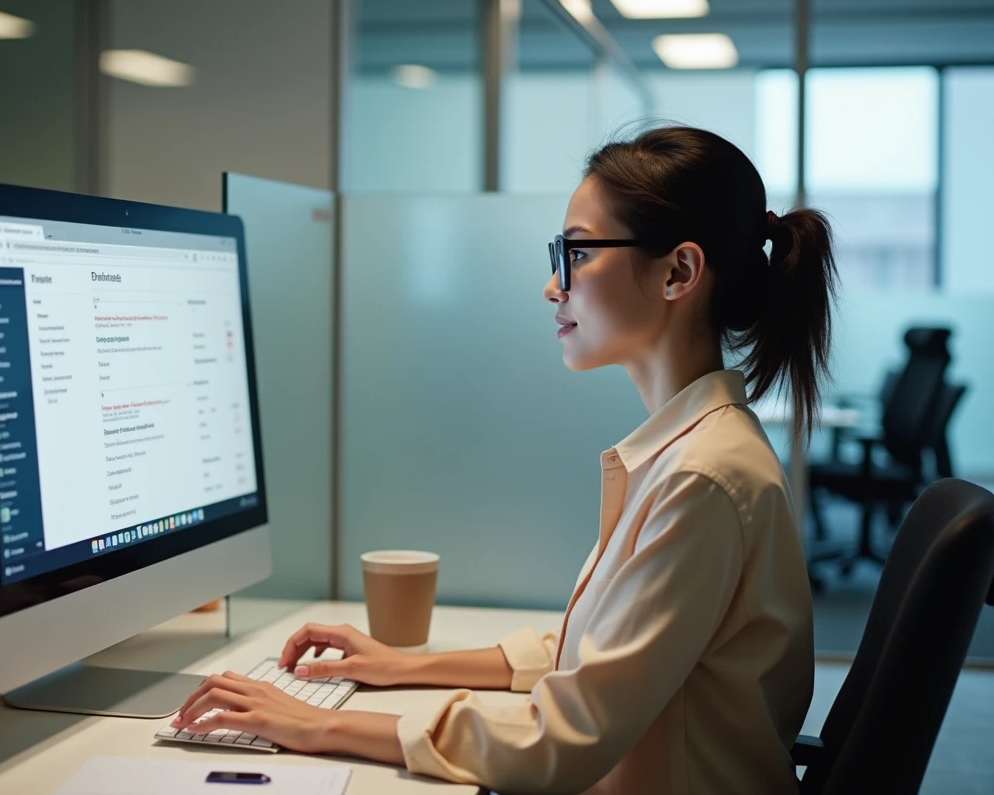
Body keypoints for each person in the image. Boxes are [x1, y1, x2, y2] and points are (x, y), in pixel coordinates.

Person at [170, 125, 837, 795]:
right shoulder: (691, 455)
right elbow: (603, 653)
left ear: (678, 272)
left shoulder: (704, 479)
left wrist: (316, 725)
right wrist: (403, 668)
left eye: (575, 253)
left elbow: (562, 740)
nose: (553, 286)